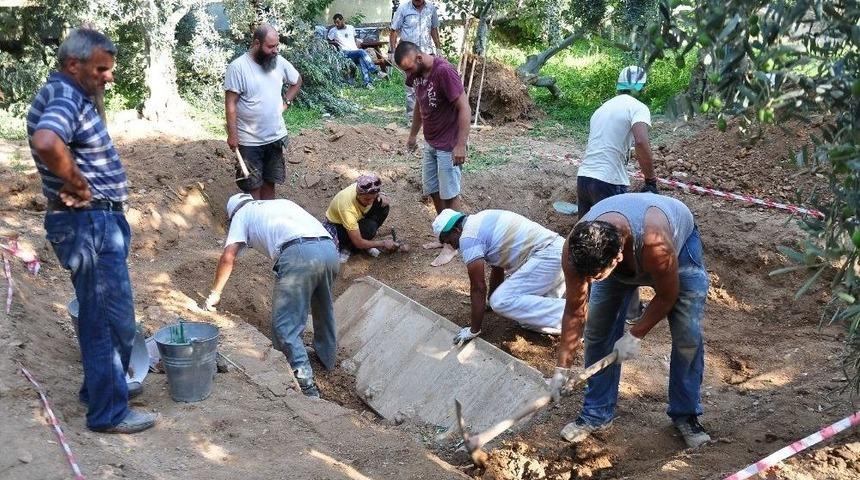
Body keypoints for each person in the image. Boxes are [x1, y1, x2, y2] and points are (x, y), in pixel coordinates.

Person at [27, 28, 156, 433]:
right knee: (106, 319)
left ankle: (102, 390)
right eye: (101, 69)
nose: (109, 77)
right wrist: (78, 183)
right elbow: (47, 141)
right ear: (73, 65)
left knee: (112, 318)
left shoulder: (70, 94)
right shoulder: (65, 95)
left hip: (98, 223)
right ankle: (108, 413)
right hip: (89, 224)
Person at [550, 193, 710, 449]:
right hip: (621, 254)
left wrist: (635, 334)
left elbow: (668, 295)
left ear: (617, 259)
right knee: (598, 331)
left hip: (678, 246)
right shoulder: (576, 249)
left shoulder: (656, 245)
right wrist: (562, 368)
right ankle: (596, 415)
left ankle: (686, 415)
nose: (589, 282)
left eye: (596, 277)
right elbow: (574, 310)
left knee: (686, 335)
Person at [204, 194, 339, 398]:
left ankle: (305, 384)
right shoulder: (278, 204)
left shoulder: (241, 214)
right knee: (323, 309)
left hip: (299, 255)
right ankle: (326, 359)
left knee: (284, 325)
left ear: (232, 213)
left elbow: (228, 257)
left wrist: (215, 294)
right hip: (329, 250)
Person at [576, 65, 659, 321]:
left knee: (587, 242)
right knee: (620, 244)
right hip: (609, 181)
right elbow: (641, 142)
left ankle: (583, 300)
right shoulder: (637, 107)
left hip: (585, 178)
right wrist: (650, 180)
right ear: (641, 87)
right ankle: (631, 310)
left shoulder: (602, 108)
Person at [433, 209, 566, 345]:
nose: (451, 246)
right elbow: (498, 267)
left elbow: (478, 287)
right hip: (561, 254)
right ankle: (573, 324)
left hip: (548, 258)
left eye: (448, 240)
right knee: (528, 320)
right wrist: (490, 300)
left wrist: (473, 330)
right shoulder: (479, 220)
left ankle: (576, 314)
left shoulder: (468, 238)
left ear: (456, 230)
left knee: (501, 301)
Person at [395, 40, 471, 267]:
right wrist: (412, 135)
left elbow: (464, 107)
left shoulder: (444, 72)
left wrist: (460, 145)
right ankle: (445, 235)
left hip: (449, 143)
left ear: (419, 58)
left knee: (450, 193)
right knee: (433, 189)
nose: (408, 75)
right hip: (431, 142)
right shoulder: (416, 75)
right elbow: (420, 105)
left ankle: (453, 244)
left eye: (408, 68)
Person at [225, 24, 302, 200]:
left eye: (277, 46)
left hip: (275, 137)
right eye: (270, 46)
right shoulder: (238, 67)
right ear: (257, 43)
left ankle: (267, 216)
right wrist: (233, 135)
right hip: (249, 141)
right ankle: (254, 216)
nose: (275, 51)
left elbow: (297, 81)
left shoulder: (279, 62)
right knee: (252, 188)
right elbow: (230, 103)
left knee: (269, 183)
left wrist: (285, 103)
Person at [323, 174, 398, 262]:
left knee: (383, 206)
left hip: (357, 217)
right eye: (367, 199)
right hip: (338, 226)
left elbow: (376, 196)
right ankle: (348, 247)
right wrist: (383, 243)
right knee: (369, 229)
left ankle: (366, 241)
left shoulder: (364, 187)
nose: (370, 202)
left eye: (373, 198)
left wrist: (380, 196)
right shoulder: (347, 209)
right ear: (358, 195)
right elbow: (358, 243)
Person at [389, 0, 441, 117]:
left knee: (430, 86)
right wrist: (393, 52)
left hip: (426, 54)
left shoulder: (431, 8)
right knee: (411, 87)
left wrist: (438, 48)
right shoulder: (403, 8)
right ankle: (412, 117)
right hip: (409, 57)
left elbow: (434, 29)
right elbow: (393, 31)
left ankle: (429, 116)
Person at [328, 13, 386, 89]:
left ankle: (368, 83)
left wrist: (358, 43)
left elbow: (355, 39)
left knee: (361, 58)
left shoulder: (351, 28)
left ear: (343, 20)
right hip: (344, 53)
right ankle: (375, 71)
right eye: (335, 23)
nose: (336, 24)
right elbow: (328, 42)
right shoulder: (333, 31)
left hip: (354, 52)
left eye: (338, 22)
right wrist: (334, 47)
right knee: (361, 52)